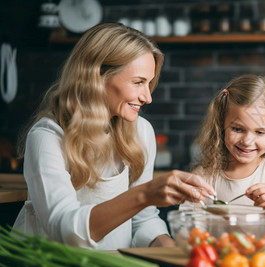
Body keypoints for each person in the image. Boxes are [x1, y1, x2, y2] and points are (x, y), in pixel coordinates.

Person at [13, 23, 214, 250]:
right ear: (96, 77)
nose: (147, 97)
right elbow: (65, 230)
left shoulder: (141, 132)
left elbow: (142, 220)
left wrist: (176, 253)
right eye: (138, 82)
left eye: (149, 83)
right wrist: (145, 194)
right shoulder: (47, 137)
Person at [181, 74, 265, 242]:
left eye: (259, 132)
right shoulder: (203, 178)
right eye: (238, 129)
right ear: (222, 124)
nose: (247, 141)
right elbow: (186, 232)